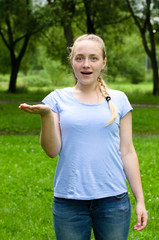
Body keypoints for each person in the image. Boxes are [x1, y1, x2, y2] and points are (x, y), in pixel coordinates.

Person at [19, 34, 148, 240]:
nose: (86, 64)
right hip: (69, 203)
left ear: (103, 62)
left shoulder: (120, 99)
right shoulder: (56, 99)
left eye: (93, 58)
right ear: (72, 62)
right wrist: (45, 115)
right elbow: (51, 151)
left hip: (113, 202)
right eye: (79, 58)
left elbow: (128, 151)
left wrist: (140, 200)